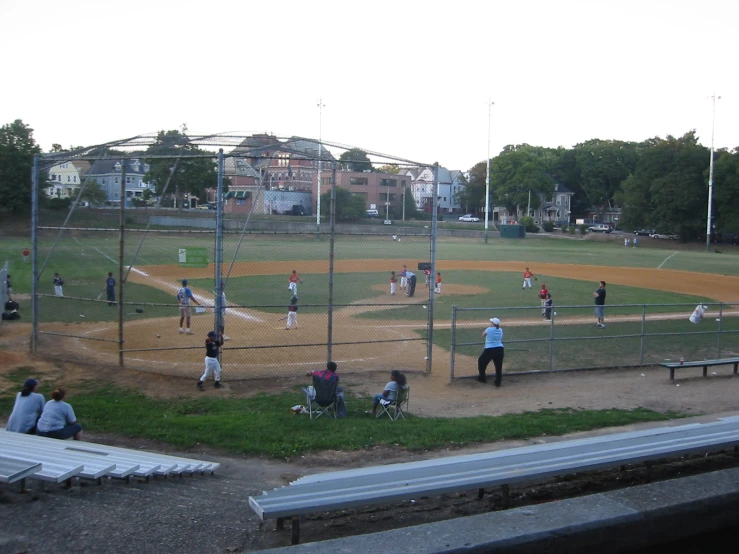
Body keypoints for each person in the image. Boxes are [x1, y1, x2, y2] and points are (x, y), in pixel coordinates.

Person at [478, 317, 504, 387]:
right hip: (500, 349)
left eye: (491, 322)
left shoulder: (488, 329)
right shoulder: (500, 330)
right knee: (498, 366)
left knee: (481, 361)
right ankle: (498, 382)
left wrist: (483, 332)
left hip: (489, 349)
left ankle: (482, 378)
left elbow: (483, 335)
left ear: (493, 324)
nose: (490, 323)